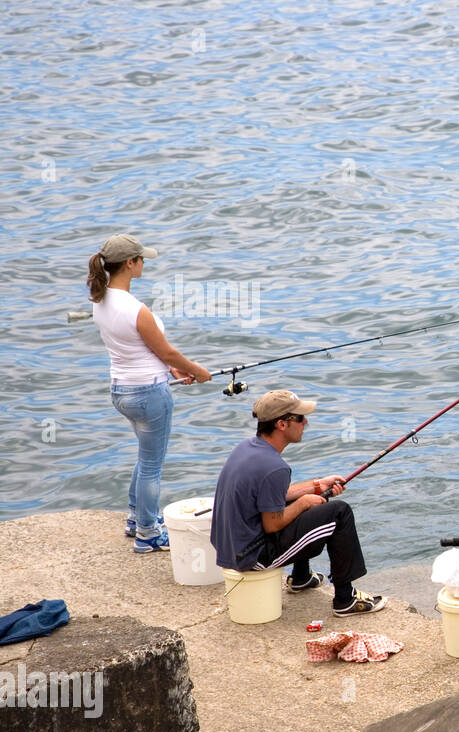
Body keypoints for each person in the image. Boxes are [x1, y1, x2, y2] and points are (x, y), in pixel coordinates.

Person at [210, 390, 386, 616]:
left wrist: (316, 486)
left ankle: (301, 578)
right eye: (300, 418)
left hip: (231, 547)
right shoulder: (275, 467)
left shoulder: (247, 448)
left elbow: (271, 497)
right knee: (339, 512)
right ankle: (345, 599)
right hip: (253, 557)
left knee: (312, 507)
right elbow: (272, 524)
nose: (306, 422)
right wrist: (303, 502)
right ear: (282, 424)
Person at [88, 234, 211, 552]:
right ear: (130, 264)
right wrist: (196, 370)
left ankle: (135, 519)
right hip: (149, 394)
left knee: (146, 457)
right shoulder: (136, 309)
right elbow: (166, 351)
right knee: (152, 465)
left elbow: (137, 350)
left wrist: (170, 370)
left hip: (122, 390)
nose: (144, 264)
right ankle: (147, 533)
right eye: (141, 259)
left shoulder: (100, 301)